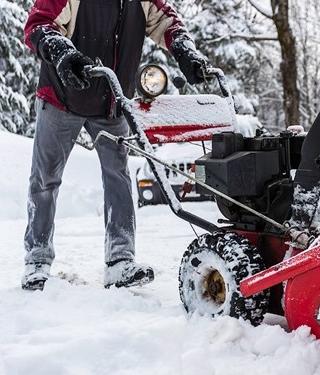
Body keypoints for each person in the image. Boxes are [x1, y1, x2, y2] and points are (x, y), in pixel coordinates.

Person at [22, 0, 209, 290]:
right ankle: (37, 261)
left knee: (118, 178)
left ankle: (120, 260)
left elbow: (168, 22)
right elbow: (38, 24)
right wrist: (62, 53)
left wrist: (184, 51)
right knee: (45, 178)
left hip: (111, 102)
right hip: (62, 98)